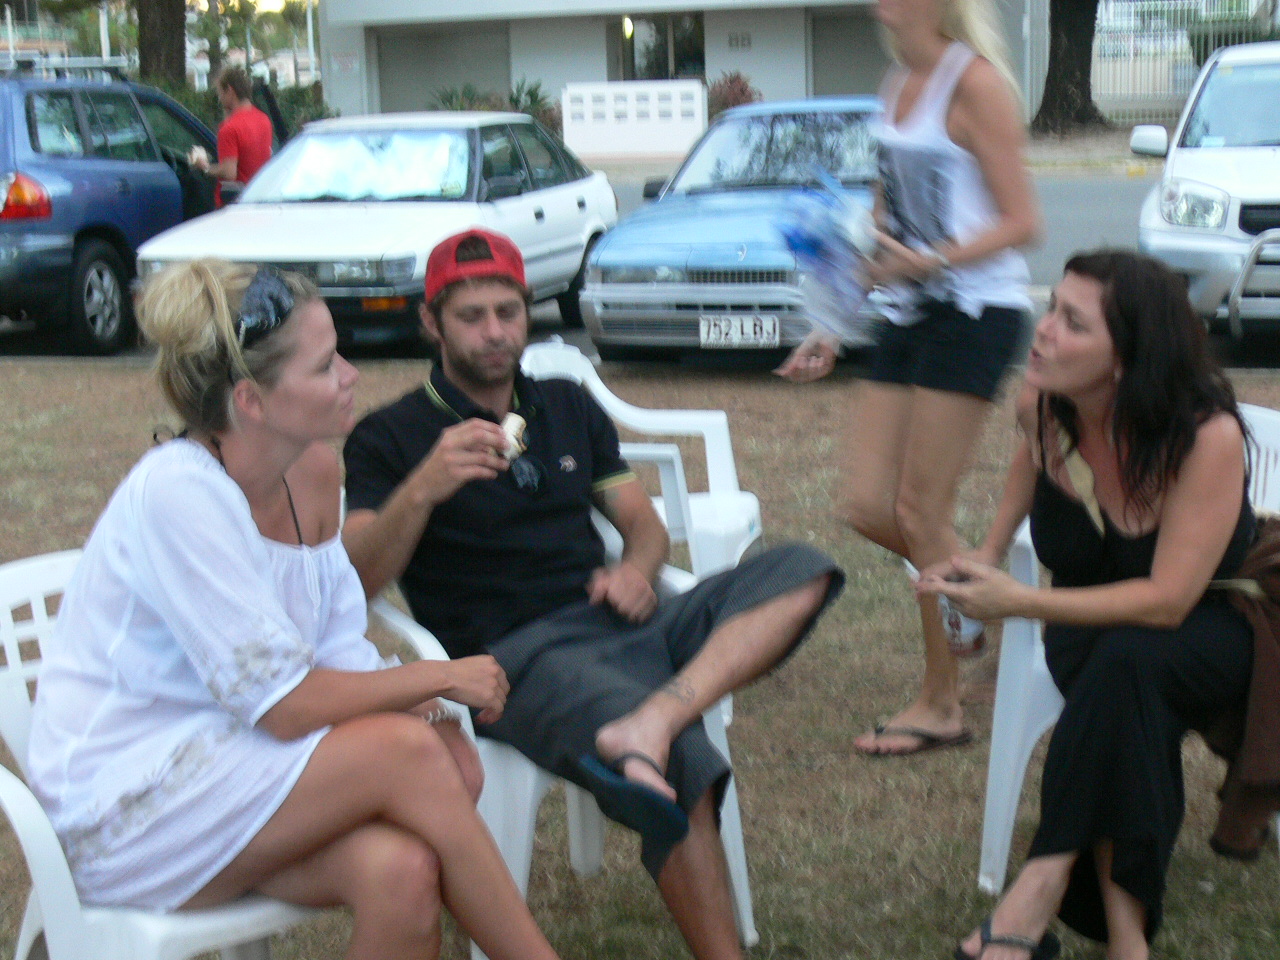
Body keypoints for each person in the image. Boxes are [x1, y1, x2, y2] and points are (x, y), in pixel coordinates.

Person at [26, 260, 563, 960]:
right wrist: (438, 679)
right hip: (130, 801)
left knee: (403, 872)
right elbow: (282, 704)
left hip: (237, 761)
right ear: (251, 400)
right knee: (408, 754)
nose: (350, 375)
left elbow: (335, 642)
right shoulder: (178, 495)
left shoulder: (310, 472)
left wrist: (427, 713)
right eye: (324, 366)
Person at [342, 227, 844, 960]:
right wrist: (423, 486)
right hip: (516, 659)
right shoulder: (389, 436)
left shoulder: (564, 405)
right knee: (681, 760)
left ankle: (654, 717)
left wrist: (637, 569)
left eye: (508, 312)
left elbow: (642, 525)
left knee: (802, 568)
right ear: (431, 323)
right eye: (471, 316)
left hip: (620, 620)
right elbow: (356, 579)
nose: (495, 332)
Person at [918, 250, 1255, 960]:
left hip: (1216, 626)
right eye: (1052, 309)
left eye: (1073, 323)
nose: (1044, 330)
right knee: (1124, 678)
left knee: (1129, 668)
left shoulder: (1207, 436)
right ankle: (1124, 938)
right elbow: (1033, 458)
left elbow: (1169, 602)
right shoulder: (1045, 403)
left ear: (1125, 360)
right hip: (1095, 632)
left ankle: (1040, 889)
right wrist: (988, 552)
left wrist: (1019, 601)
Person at [775, 0, 1041, 756]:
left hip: (976, 310)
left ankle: (942, 702)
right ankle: (983, 601)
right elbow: (883, 221)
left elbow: (1024, 222)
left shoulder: (976, 84)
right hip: (908, 309)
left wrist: (931, 260)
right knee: (867, 504)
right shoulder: (896, 84)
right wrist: (834, 321)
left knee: (921, 511)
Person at [191, 66, 273, 206]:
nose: (220, 99)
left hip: (234, 204)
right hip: (258, 198)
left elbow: (229, 173)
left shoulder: (229, 129)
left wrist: (204, 167)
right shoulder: (264, 120)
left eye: (220, 93)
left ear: (229, 90)